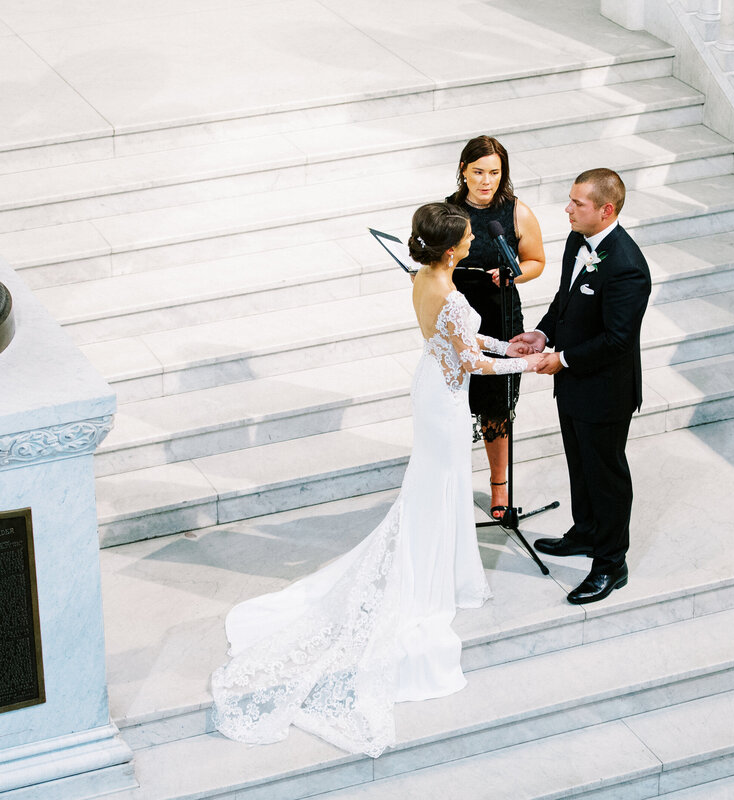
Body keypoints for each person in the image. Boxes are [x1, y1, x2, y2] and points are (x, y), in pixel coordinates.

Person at [210, 203, 541, 757]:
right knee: (437, 485)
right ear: (454, 248)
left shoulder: (425, 279)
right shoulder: (454, 296)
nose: (468, 242)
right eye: (464, 237)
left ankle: (438, 561)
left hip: (432, 387)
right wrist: (532, 364)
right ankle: (428, 574)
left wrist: (512, 344)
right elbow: (470, 364)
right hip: (445, 399)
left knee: (436, 486)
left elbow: (465, 346)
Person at [510, 168, 651, 605]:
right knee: (579, 463)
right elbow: (566, 301)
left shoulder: (628, 267)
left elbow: (617, 339)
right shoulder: (578, 240)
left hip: (606, 391)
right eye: (570, 200)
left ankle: (611, 563)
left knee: (606, 475)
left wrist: (562, 359)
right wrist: (542, 334)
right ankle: (586, 532)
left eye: (578, 203)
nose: (567, 209)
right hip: (572, 383)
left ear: (606, 210)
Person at [446, 135, 546, 519]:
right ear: (463, 171)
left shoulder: (516, 211)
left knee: (495, 408)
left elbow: (536, 260)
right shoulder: (448, 212)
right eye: (478, 172)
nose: (486, 181)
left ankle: (498, 487)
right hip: (457, 314)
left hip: (500, 313)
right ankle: (450, 483)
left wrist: (512, 277)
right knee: (453, 401)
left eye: (494, 172)